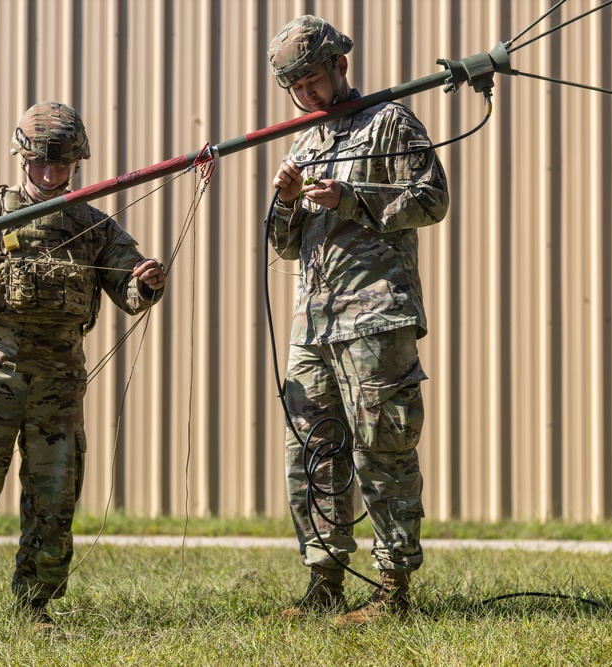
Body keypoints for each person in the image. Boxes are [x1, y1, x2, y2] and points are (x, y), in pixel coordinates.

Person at [0, 101, 167, 635]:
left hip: (59, 382)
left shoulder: (93, 224)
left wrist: (145, 280)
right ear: (21, 158)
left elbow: (129, 279)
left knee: (54, 494)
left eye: (62, 167)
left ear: (77, 164)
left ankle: (35, 605)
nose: (50, 176)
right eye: (40, 165)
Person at [265, 16, 449, 625]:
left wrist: (351, 198)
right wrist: (286, 202)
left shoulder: (389, 121)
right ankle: (324, 581)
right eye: (295, 88)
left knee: (383, 448)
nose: (306, 96)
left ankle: (393, 588)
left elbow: (431, 199)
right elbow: (286, 246)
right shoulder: (302, 141)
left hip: (376, 314)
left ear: (341, 65)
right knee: (312, 453)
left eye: (312, 81)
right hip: (313, 324)